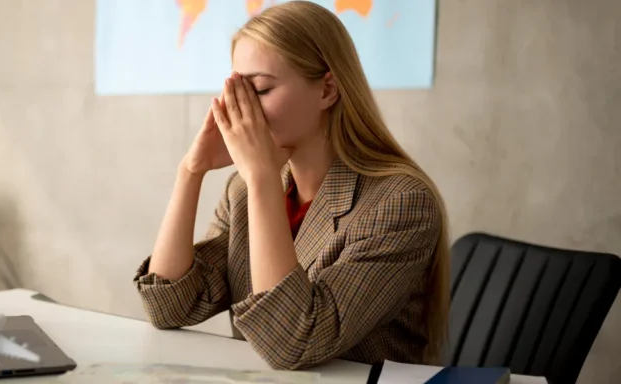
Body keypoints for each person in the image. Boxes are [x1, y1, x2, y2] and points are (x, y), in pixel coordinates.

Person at [132, 0, 450, 371]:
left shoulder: (401, 203)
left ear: (327, 90)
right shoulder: (245, 189)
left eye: (261, 91)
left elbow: (294, 343)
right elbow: (169, 307)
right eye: (239, 93)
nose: (242, 110)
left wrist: (262, 177)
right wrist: (191, 170)